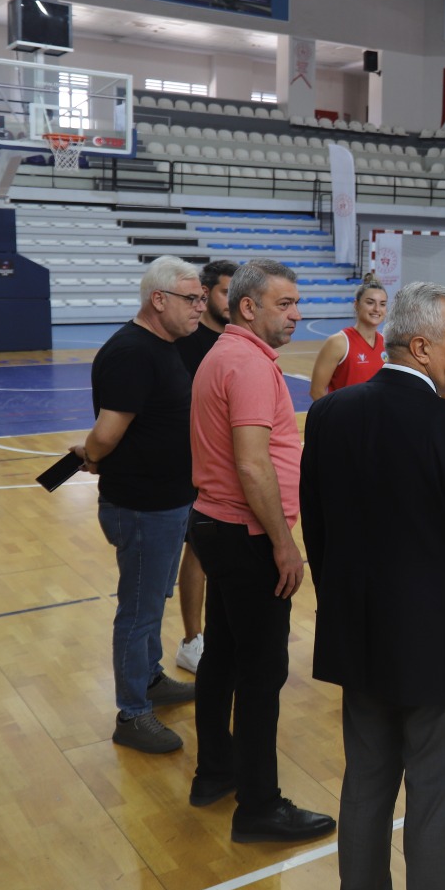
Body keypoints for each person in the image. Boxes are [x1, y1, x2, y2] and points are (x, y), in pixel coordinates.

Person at [301, 282, 445, 890]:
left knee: (365, 791)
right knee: (436, 807)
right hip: (444, 661)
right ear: (423, 348)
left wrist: (345, 612)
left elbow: (318, 532)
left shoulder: (329, 415)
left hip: (361, 643)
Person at [188, 258, 334, 842]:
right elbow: (252, 462)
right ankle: (259, 807)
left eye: (298, 303)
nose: (297, 315)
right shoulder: (246, 365)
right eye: (285, 304)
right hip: (245, 537)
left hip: (216, 526)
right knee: (262, 672)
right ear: (248, 307)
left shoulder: (222, 355)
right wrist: (284, 544)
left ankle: (214, 773)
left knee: (222, 658)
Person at [75, 256, 204, 754]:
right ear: (159, 300)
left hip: (166, 502)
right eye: (191, 299)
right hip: (142, 507)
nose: (199, 308)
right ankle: (132, 714)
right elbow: (106, 435)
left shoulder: (164, 346)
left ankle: (149, 679)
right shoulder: (133, 352)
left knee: (152, 602)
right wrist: (90, 454)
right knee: (139, 611)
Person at [171, 258, 237, 675]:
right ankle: (192, 639)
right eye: (224, 292)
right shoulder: (185, 343)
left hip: (232, 464)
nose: (230, 300)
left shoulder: (238, 343)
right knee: (195, 550)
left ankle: (224, 632)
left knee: (230, 552)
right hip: (189, 467)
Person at [308, 276, 387, 400]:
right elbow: (316, 391)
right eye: (370, 302)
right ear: (356, 305)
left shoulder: (387, 344)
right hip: (346, 418)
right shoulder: (338, 342)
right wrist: (338, 417)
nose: (377, 309)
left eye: (382, 304)